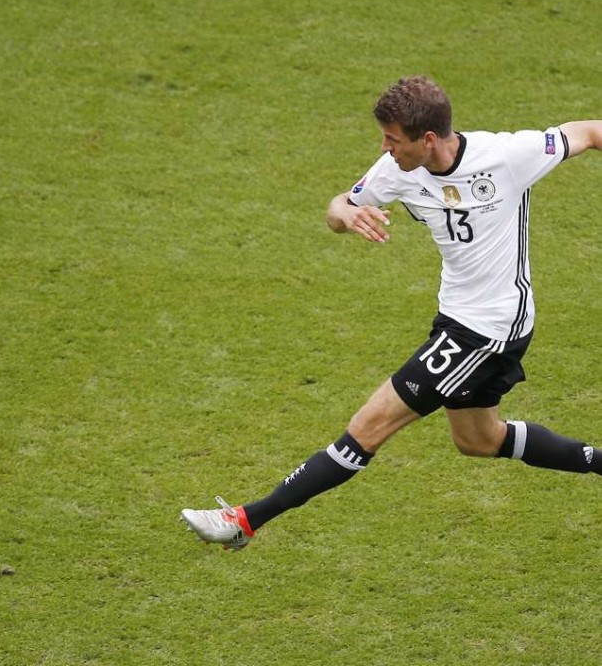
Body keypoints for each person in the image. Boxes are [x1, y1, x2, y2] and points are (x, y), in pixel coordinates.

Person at [180, 76, 602, 551]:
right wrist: (347, 216)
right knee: (479, 440)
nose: (384, 148)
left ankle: (243, 520)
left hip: (489, 329)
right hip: (456, 317)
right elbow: (339, 206)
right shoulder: (397, 168)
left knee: (367, 427)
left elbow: (587, 132)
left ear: (427, 139)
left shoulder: (507, 156)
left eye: (392, 138)